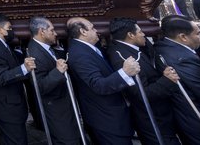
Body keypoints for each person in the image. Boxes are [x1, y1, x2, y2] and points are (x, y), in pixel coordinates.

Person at [107, 17, 180, 145]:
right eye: (140, 32)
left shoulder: (132, 48)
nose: (144, 34)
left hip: (163, 115)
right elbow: (141, 94)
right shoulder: (124, 58)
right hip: (153, 119)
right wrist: (167, 80)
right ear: (130, 35)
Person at [66, 17, 139, 145]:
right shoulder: (79, 54)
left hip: (113, 117)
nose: (96, 31)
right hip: (106, 120)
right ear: (83, 32)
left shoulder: (87, 48)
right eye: (93, 28)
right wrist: (124, 72)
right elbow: (98, 85)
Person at [27, 17, 80, 145]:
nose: (55, 33)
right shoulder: (34, 53)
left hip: (63, 108)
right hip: (57, 111)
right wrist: (58, 71)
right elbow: (40, 86)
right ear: (42, 31)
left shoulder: (45, 48)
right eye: (52, 30)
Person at [0, 14, 34, 145]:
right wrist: (23, 68)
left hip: (14, 107)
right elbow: (1, 77)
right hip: (7, 109)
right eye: (9, 27)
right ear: (0, 29)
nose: (11, 30)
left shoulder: (3, 45)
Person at [154, 16, 200, 144]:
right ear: (183, 37)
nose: (199, 36)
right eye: (198, 33)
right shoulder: (182, 59)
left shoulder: (165, 46)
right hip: (194, 116)